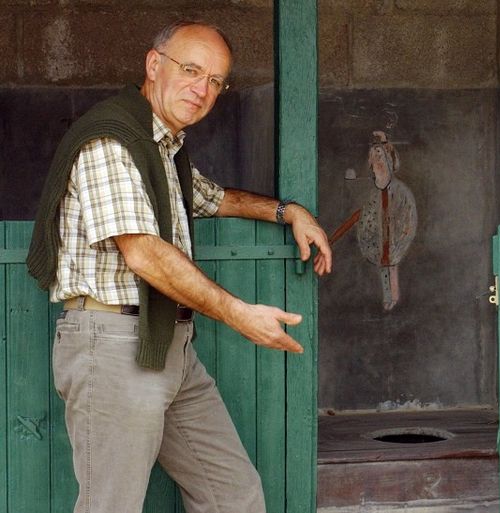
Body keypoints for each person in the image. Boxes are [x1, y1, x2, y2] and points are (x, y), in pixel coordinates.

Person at [26, 19, 332, 513]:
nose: (202, 89)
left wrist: (287, 211)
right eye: (191, 70)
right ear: (153, 65)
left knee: (232, 496)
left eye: (215, 81)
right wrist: (239, 314)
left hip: (167, 343)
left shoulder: (165, 147)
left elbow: (213, 198)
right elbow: (143, 252)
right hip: (114, 344)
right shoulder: (112, 139)